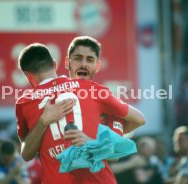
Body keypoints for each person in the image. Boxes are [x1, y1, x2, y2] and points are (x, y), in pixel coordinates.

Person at [16, 43, 145, 183]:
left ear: (28, 76)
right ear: (55, 64)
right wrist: (98, 140)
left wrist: (43, 121)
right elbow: (139, 119)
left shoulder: (25, 103)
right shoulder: (90, 88)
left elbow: (26, 154)